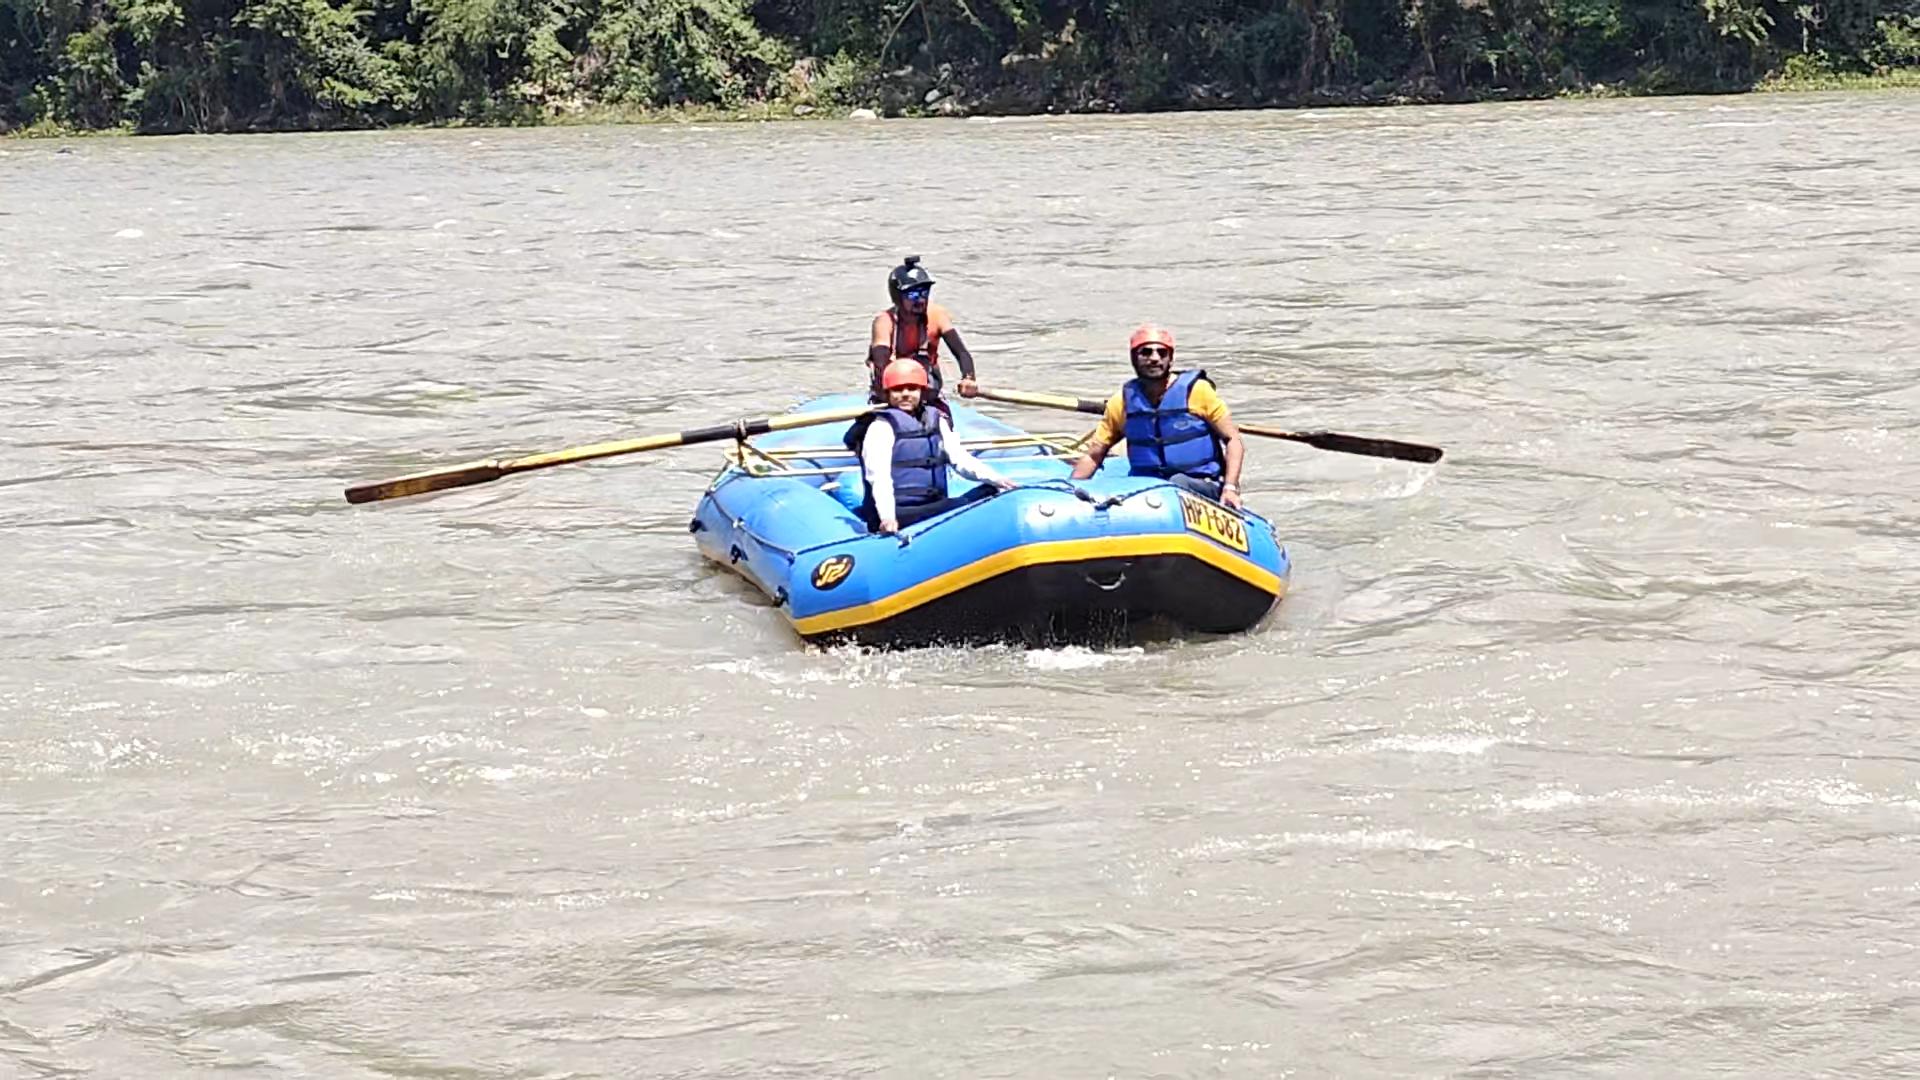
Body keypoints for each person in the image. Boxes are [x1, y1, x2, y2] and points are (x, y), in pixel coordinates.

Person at [1068, 324, 1246, 509]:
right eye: (1146, 352)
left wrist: (1230, 488)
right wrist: (1071, 489)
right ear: (1134, 358)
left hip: (1201, 484)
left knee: (1177, 483)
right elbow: (1094, 455)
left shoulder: (1198, 392)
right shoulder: (1121, 403)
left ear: (1170, 359)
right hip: (1148, 488)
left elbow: (1233, 440)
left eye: (1162, 353)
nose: (1154, 358)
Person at [851, 359, 1014, 534]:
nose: (906, 394)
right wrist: (887, 517)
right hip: (901, 512)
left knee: (990, 491)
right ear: (888, 393)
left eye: (912, 388)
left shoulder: (936, 419)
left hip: (934, 505)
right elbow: (879, 476)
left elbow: (960, 459)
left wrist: (997, 479)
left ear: (922, 391)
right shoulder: (881, 427)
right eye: (898, 390)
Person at [868, 256, 981, 406]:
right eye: (913, 295)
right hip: (893, 391)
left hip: (926, 390)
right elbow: (880, 361)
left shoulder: (937, 315)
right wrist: (899, 395)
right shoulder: (885, 321)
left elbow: (961, 352)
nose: (920, 300)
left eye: (924, 293)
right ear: (897, 297)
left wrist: (968, 378)